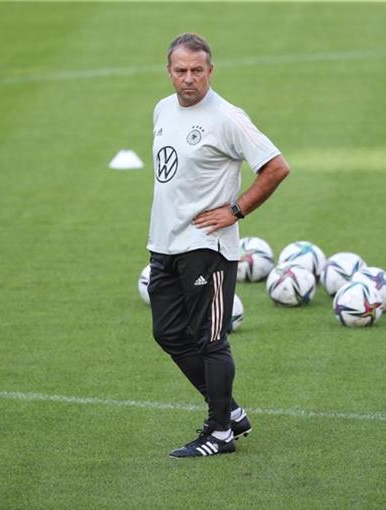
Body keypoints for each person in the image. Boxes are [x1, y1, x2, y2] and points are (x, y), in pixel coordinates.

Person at [146, 32, 290, 458]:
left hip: (206, 247)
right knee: (168, 332)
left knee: (211, 340)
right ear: (169, 72)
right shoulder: (162, 110)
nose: (188, 79)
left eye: (197, 70)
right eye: (180, 71)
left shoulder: (227, 117)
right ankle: (229, 410)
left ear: (210, 71)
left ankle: (221, 432)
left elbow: (276, 167)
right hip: (164, 243)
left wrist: (237, 210)